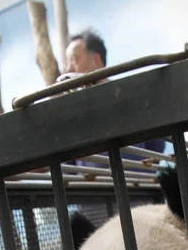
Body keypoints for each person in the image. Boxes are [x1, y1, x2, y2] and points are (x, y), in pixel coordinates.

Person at [65, 30, 166, 167]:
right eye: (67, 62)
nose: (68, 68)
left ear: (96, 60)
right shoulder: (71, 114)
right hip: (90, 186)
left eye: (74, 59)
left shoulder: (131, 97)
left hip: (135, 183)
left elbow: (157, 144)